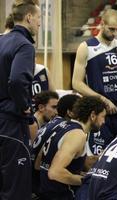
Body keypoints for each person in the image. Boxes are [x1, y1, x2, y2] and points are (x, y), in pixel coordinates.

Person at [72, 8, 117, 138]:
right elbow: (76, 83)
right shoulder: (86, 47)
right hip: (100, 114)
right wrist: (103, 100)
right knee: (99, 156)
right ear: (102, 24)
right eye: (111, 29)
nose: (115, 33)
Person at [0, 1, 41, 199]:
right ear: (29, 18)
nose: (40, 25)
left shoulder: (0, 41)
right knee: (16, 189)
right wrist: (24, 106)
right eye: (39, 19)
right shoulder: (24, 45)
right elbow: (16, 81)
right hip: (11, 123)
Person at [39, 96, 106, 200]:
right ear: (93, 115)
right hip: (61, 194)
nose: (104, 121)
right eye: (103, 116)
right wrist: (85, 180)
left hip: (45, 190)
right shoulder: (77, 135)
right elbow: (55, 172)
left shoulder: (63, 125)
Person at [31, 94, 80, 198]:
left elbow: (38, 162)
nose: (56, 111)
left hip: (35, 179)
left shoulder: (49, 124)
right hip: (37, 184)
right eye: (54, 107)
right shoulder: (33, 125)